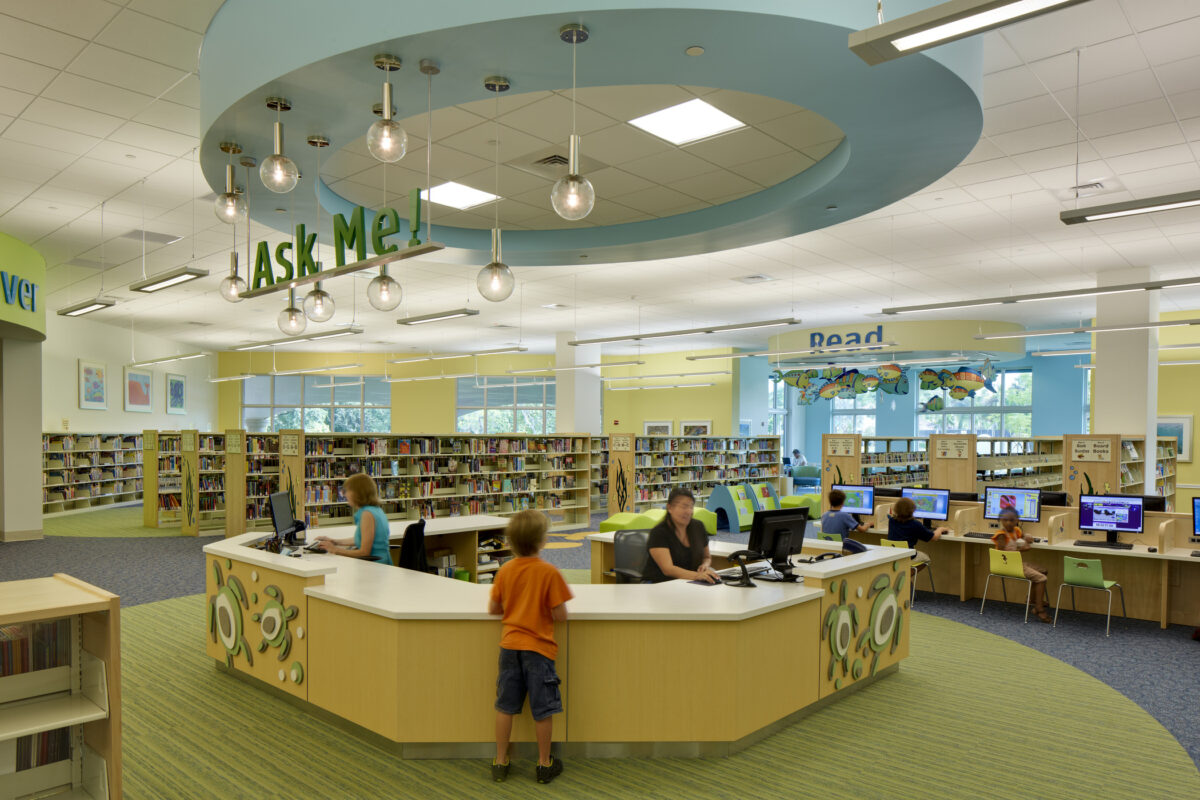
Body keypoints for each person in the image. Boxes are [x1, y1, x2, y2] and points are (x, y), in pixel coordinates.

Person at [488, 510, 572, 784]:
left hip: (510, 646)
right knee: (542, 709)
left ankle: (500, 762)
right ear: (543, 540)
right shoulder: (549, 572)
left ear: (510, 541)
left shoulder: (505, 570)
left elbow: (493, 609)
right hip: (539, 650)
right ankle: (544, 763)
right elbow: (560, 615)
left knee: (505, 706)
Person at [644, 487, 718, 583]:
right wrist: (697, 575)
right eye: (684, 506)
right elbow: (668, 569)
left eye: (691, 507)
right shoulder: (659, 532)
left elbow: (706, 557)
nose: (688, 511)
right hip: (660, 584)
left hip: (689, 582)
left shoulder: (698, 526)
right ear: (669, 508)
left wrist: (705, 565)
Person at [314, 473, 392, 564]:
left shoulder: (367, 514)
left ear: (357, 493)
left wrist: (334, 550)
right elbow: (361, 539)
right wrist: (334, 541)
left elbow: (364, 552)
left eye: (347, 491)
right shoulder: (375, 510)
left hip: (377, 566)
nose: (345, 494)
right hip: (378, 563)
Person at [991, 507, 1051, 623]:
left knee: (1043, 571)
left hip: (1017, 562)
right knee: (1041, 578)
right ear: (1000, 520)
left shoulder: (1015, 531)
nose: (1009, 522)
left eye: (1012, 520)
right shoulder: (1001, 535)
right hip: (1007, 564)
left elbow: (1023, 536)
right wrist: (1022, 550)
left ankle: (1033, 599)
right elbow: (1004, 554)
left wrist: (1027, 538)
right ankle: (1039, 608)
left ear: (1017, 520)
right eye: (1005, 520)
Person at [886, 496, 947, 567]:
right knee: (927, 558)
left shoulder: (891, 521)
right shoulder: (915, 524)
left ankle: (903, 573)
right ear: (913, 510)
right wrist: (940, 529)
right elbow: (934, 537)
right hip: (908, 557)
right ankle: (907, 574)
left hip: (893, 556)